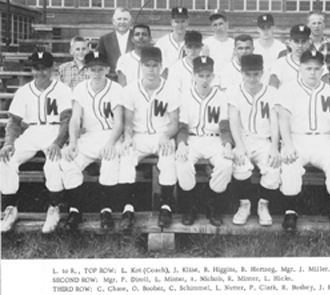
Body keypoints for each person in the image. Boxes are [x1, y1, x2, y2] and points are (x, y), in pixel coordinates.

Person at [277, 50, 330, 233]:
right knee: (289, 165)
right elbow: (283, 119)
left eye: (316, 69)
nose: (312, 72)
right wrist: (287, 145)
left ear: (322, 70)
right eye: (308, 68)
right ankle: (290, 211)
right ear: (300, 68)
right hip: (296, 138)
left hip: (323, 139)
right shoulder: (288, 89)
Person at [0, 52, 72, 233]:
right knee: (6, 159)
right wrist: (9, 142)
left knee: (54, 162)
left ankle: (54, 207)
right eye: (37, 68)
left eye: (45, 68)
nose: (41, 72)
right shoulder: (24, 91)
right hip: (32, 131)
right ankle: (10, 208)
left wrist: (58, 142)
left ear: (52, 69)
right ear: (32, 69)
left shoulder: (62, 89)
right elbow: (14, 122)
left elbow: (66, 120)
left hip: (54, 131)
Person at [61, 51, 126, 231]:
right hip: (89, 136)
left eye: (100, 69)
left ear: (107, 69)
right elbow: (75, 119)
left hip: (111, 135)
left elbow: (119, 122)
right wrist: (73, 142)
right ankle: (76, 209)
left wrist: (111, 143)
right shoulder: (81, 88)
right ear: (87, 70)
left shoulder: (116, 89)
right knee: (68, 161)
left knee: (110, 162)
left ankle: (106, 210)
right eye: (92, 69)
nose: (96, 73)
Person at [120, 47, 179, 228]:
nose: (151, 69)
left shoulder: (170, 89)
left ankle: (166, 207)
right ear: (141, 66)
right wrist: (128, 136)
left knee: (168, 159)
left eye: (155, 65)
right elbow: (128, 122)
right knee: (126, 157)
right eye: (147, 65)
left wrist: (167, 135)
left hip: (162, 135)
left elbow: (175, 122)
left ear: (161, 66)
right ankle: (128, 208)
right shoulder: (131, 89)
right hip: (139, 136)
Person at [176, 56, 233, 226]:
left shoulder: (221, 96)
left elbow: (223, 125)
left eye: (208, 75)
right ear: (193, 76)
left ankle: (211, 203)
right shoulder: (185, 95)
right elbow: (183, 126)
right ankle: (190, 206)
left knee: (226, 164)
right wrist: (180, 144)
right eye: (200, 76)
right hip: (192, 139)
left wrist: (228, 144)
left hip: (214, 140)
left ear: (213, 76)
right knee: (182, 162)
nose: (204, 79)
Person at [228, 54, 280, 226]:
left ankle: (263, 205)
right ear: (242, 73)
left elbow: (274, 121)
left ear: (262, 73)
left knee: (273, 169)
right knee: (240, 167)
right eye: (248, 74)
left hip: (264, 140)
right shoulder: (234, 91)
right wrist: (239, 146)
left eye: (256, 74)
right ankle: (245, 205)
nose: (252, 78)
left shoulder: (271, 93)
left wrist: (274, 146)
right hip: (243, 139)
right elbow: (233, 122)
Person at [269, 24, 328, 89]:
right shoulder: (280, 64)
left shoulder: (318, 64)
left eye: (303, 41)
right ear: (290, 42)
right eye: (296, 41)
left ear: (308, 43)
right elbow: (272, 91)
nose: (300, 45)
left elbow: (326, 90)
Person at [307, 10, 330, 89]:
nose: (316, 26)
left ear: (324, 25)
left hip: (325, 84)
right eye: (313, 23)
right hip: (307, 84)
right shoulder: (304, 45)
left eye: (319, 23)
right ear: (308, 25)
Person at [97, 7, 135, 80]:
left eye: (125, 19)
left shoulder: (138, 37)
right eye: (119, 19)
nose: (122, 22)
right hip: (112, 81)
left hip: (133, 80)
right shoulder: (104, 39)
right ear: (113, 21)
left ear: (130, 22)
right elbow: (97, 56)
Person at [155, 7, 189, 78]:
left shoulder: (193, 42)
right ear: (172, 22)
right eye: (177, 21)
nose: (180, 25)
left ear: (187, 22)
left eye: (183, 21)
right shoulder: (162, 43)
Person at [253, 13, 286, 82]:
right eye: (262, 28)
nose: (265, 31)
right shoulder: (253, 47)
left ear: (274, 27)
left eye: (268, 27)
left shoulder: (281, 48)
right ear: (258, 29)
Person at [202, 9, 234, 74]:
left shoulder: (233, 43)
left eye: (221, 24)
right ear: (211, 27)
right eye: (215, 25)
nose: (218, 28)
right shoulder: (206, 44)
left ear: (227, 24)